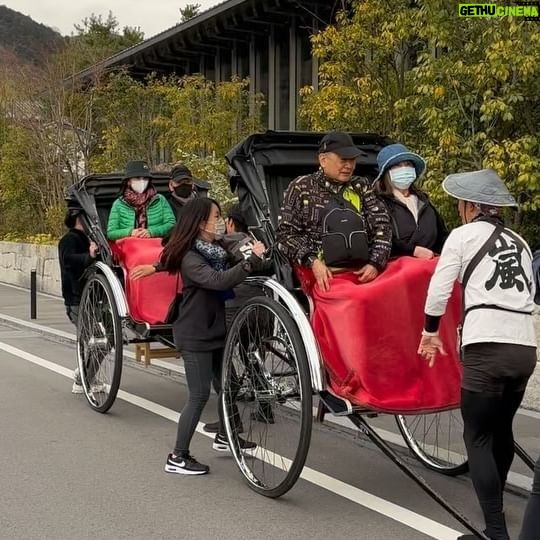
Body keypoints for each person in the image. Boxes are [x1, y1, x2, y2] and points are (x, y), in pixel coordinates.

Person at [417, 169, 537, 540]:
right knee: (501, 430)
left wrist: (430, 331)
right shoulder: (519, 241)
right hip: (524, 349)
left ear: (470, 206)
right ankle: (496, 507)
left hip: (486, 347)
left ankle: (495, 532)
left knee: (478, 436)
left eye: (460, 204)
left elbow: (439, 290)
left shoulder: (463, 236)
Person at [157, 197, 265, 475]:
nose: (219, 222)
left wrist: (253, 252)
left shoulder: (213, 250)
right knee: (199, 395)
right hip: (195, 333)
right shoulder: (191, 257)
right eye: (215, 216)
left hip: (215, 329)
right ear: (200, 222)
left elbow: (232, 257)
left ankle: (225, 436)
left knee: (226, 386)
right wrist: (250, 263)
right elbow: (219, 281)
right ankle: (177, 456)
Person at [277, 131, 392, 291]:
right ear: (323, 160)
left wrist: (375, 263)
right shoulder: (301, 187)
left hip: (363, 270)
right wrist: (313, 262)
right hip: (321, 272)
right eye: (343, 160)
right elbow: (286, 235)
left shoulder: (361, 186)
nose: (349, 166)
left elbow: (382, 225)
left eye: (352, 160)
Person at [374, 143, 448, 259]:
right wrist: (413, 251)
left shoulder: (424, 202)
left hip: (431, 266)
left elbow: (441, 236)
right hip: (395, 270)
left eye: (408, 164)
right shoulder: (378, 203)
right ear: (386, 173)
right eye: (397, 166)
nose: (404, 168)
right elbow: (377, 239)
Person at [58, 199, 99, 393]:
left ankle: (85, 376)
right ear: (77, 218)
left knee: (100, 340)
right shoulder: (70, 239)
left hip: (91, 297)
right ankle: (82, 378)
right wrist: (89, 256)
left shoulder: (88, 238)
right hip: (76, 298)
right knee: (96, 339)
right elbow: (69, 261)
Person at [107, 160, 175, 240]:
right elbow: (111, 233)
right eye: (137, 178)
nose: (142, 181)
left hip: (157, 246)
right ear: (129, 181)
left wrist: (152, 232)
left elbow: (171, 224)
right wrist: (130, 232)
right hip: (129, 248)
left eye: (145, 178)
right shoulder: (119, 204)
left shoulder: (160, 200)